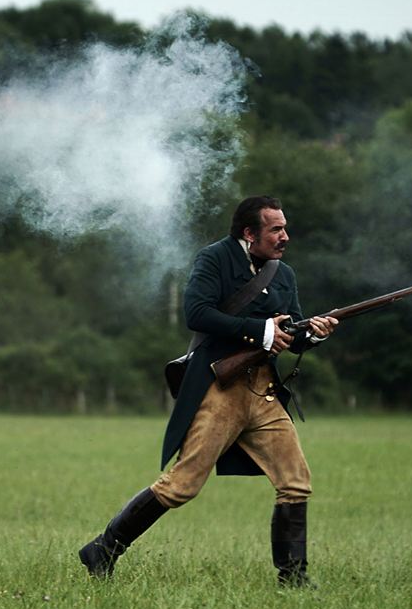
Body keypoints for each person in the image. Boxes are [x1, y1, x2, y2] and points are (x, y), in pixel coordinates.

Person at [79, 196, 337, 586]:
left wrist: (313, 334)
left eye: (284, 228)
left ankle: (293, 577)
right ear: (249, 233)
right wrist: (261, 329)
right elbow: (197, 313)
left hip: (263, 393)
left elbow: (293, 334)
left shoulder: (284, 274)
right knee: (182, 485)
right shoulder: (215, 259)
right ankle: (103, 549)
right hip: (222, 390)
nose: (285, 236)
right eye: (276, 229)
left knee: (295, 481)